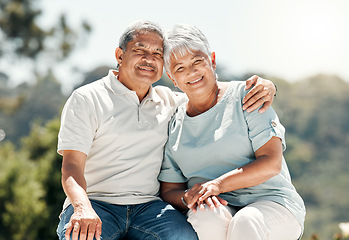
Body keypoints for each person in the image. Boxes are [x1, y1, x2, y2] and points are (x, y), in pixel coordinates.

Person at [56, 20, 277, 240]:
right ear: (119, 55)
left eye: (157, 53)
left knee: (184, 236)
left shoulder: (170, 101)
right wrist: (81, 206)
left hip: (149, 208)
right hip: (96, 202)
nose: (149, 59)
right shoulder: (87, 98)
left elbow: (209, 94)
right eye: (140, 50)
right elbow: (72, 166)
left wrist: (266, 87)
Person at [158, 24, 305, 240]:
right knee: (204, 217)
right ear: (172, 78)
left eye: (197, 61)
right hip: (218, 208)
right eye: (180, 68)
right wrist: (187, 197)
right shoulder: (174, 123)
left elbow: (271, 163)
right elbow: (170, 189)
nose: (191, 72)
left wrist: (217, 185)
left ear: (212, 60)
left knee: (245, 221)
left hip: (273, 204)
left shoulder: (249, 95)